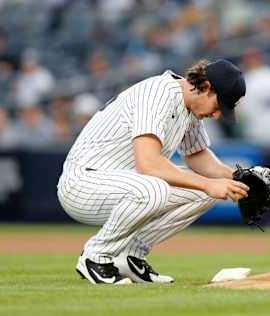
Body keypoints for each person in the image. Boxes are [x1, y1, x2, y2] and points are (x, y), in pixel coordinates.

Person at [56, 59, 249, 285]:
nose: (217, 115)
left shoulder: (190, 106)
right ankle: (96, 256)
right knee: (155, 188)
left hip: (121, 183)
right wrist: (208, 183)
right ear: (205, 86)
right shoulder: (159, 93)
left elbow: (197, 155)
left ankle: (129, 256)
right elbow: (149, 164)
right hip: (83, 183)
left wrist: (240, 178)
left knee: (206, 191)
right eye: (218, 105)